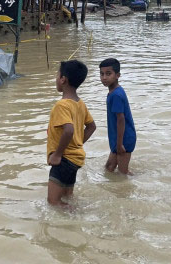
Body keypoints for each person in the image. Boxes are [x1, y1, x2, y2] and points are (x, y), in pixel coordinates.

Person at [46, 60, 96, 207]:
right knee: (67, 198)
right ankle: (75, 219)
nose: (56, 78)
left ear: (63, 79)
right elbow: (91, 127)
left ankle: (79, 215)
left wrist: (57, 154)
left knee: (53, 202)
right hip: (75, 159)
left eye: (57, 74)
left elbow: (68, 130)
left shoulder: (61, 105)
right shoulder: (79, 103)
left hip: (63, 161)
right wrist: (77, 144)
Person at [100, 58, 136, 175]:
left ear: (118, 75)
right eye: (102, 74)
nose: (104, 77)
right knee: (109, 168)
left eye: (108, 74)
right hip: (118, 139)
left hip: (123, 139)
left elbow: (121, 120)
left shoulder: (116, 95)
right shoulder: (113, 92)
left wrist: (120, 145)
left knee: (122, 174)